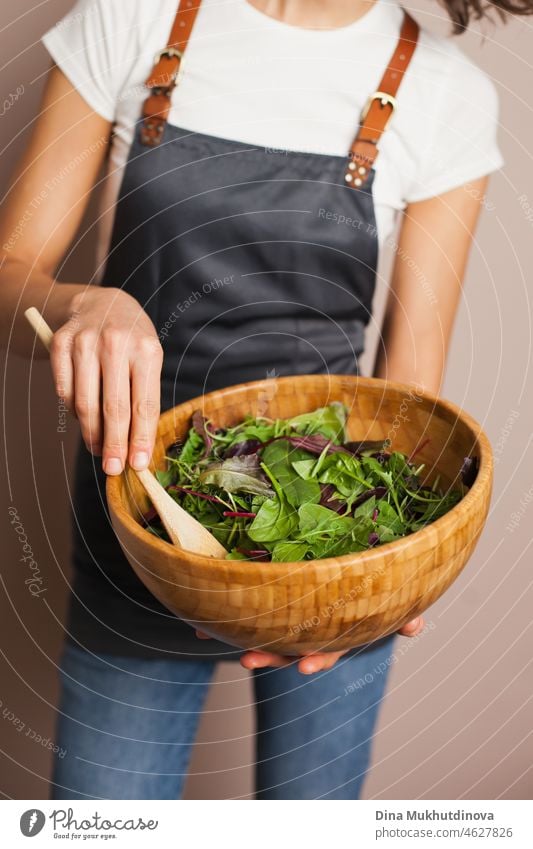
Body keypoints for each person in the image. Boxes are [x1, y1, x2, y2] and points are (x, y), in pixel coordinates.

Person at [0, 0, 514, 800]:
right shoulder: (133, 17)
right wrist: (77, 303)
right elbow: (10, 277)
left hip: (333, 558)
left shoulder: (446, 91)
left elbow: (411, 402)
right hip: (138, 529)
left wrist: (401, 572)